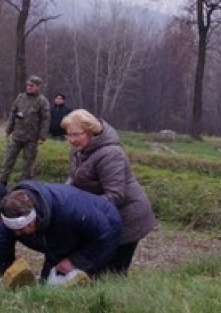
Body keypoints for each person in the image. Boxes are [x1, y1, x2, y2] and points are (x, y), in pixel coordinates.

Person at [61, 109, 156, 275]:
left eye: (77, 134)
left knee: (112, 272)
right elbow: (74, 177)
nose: (72, 140)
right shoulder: (79, 150)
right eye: (69, 135)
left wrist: (83, 209)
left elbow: (115, 195)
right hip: (105, 215)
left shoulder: (111, 154)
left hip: (128, 217)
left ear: (91, 131)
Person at [0, 182, 122, 283]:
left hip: (104, 228)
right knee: (47, 285)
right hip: (59, 242)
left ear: (34, 218)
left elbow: (104, 235)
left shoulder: (70, 210)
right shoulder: (12, 218)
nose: (17, 234)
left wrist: (76, 261)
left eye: (22, 229)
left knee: (87, 282)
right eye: (14, 230)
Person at [0, 76, 50, 186]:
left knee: (28, 163)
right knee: (8, 159)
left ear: (38, 87)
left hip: (31, 137)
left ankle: (24, 184)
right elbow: (13, 113)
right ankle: (2, 181)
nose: (29, 87)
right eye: (28, 85)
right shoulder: (20, 98)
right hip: (17, 135)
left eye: (32, 86)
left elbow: (45, 119)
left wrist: (42, 136)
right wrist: (9, 129)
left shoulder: (42, 101)